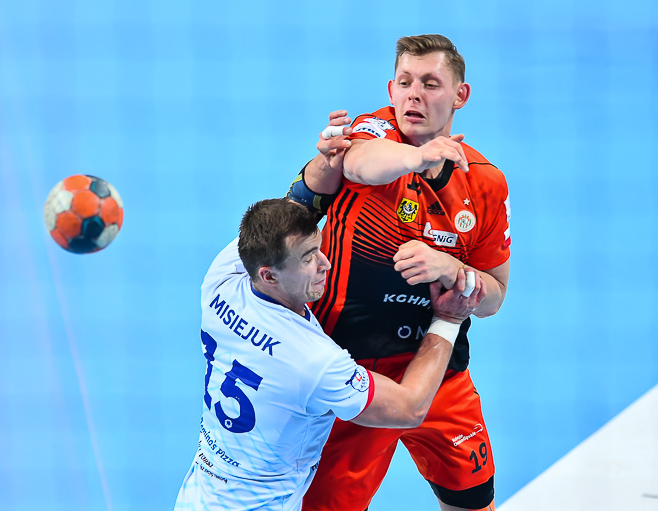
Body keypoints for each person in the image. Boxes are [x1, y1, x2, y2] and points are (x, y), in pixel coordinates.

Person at [287, 34, 511, 511]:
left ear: (460, 95)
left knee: (474, 502)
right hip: (351, 374)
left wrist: (455, 270)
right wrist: (418, 156)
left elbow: (493, 297)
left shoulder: (485, 183)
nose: (414, 95)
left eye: (430, 84)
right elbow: (361, 164)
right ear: (391, 90)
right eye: (405, 82)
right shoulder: (373, 133)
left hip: (438, 366)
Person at [174, 197, 487, 510]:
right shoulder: (312, 360)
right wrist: (449, 319)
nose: (325, 263)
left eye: (318, 248)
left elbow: (295, 200)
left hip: (197, 499)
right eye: (308, 258)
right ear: (269, 276)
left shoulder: (222, 280)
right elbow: (410, 408)